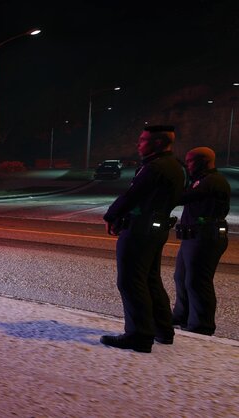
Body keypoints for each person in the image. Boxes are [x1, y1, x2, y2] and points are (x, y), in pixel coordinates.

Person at [101, 125, 184, 353]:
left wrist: (111, 214)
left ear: (157, 143)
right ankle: (163, 330)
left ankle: (138, 335)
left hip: (140, 230)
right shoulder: (176, 167)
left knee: (131, 281)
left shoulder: (155, 167)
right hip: (156, 229)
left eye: (143, 140)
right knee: (150, 279)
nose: (138, 144)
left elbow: (133, 195)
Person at [172, 147, 230, 336]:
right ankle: (182, 316)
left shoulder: (212, 181)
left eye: (190, 161)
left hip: (205, 238)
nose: (187, 165)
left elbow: (183, 197)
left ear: (203, 161)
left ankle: (202, 325)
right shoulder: (202, 180)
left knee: (197, 281)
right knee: (181, 277)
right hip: (194, 236)